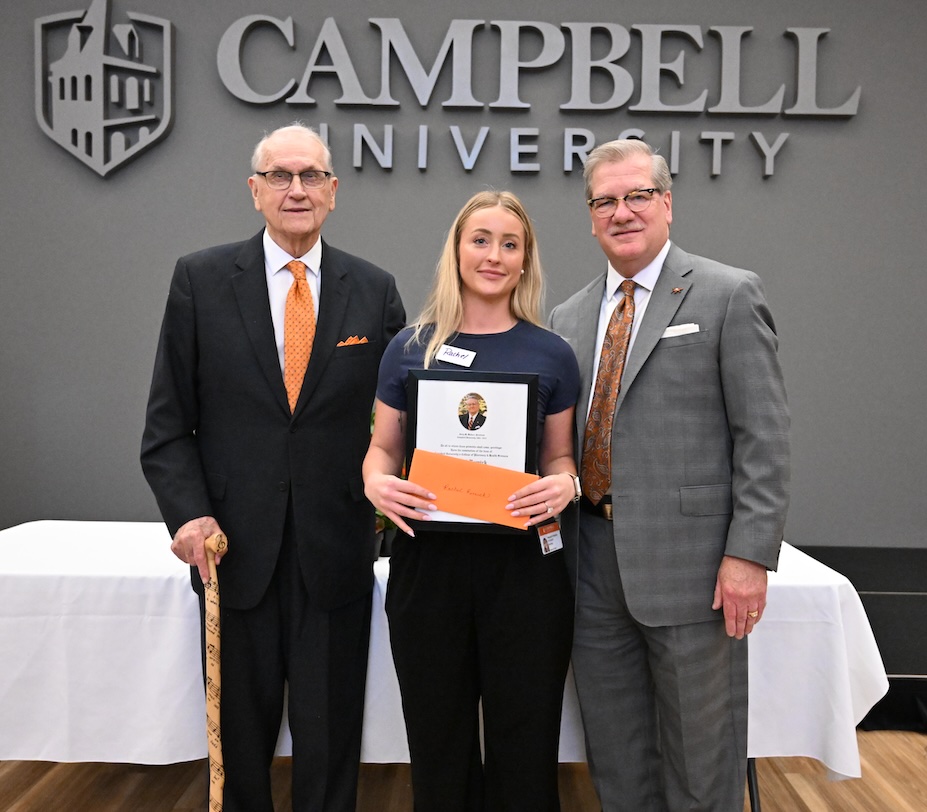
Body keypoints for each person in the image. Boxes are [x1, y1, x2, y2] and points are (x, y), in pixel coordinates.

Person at [140, 123, 405, 812]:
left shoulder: (373, 293)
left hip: (335, 556)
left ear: (334, 192)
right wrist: (190, 514)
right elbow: (168, 427)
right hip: (231, 554)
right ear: (254, 191)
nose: (297, 189)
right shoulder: (199, 280)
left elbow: (401, 426)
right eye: (281, 176)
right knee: (240, 745)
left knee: (329, 743)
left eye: (311, 175)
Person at [548, 139, 791, 811]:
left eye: (636, 196)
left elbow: (763, 438)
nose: (621, 212)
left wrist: (748, 555)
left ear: (666, 204)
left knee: (700, 758)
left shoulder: (727, 294)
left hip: (694, 571)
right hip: (589, 565)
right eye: (605, 201)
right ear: (591, 215)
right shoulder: (567, 319)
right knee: (617, 753)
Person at [363, 190, 581, 812]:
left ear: (525, 260)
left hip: (525, 570)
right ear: (456, 251)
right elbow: (381, 451)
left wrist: (564, 485)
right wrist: (376, 485)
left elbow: (560, 458)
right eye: (480, 240)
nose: (493, 255)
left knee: (526, 737)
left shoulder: (552, 352)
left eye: (509, 244)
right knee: (437, 737)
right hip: (426, 566)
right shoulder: (409, 347)